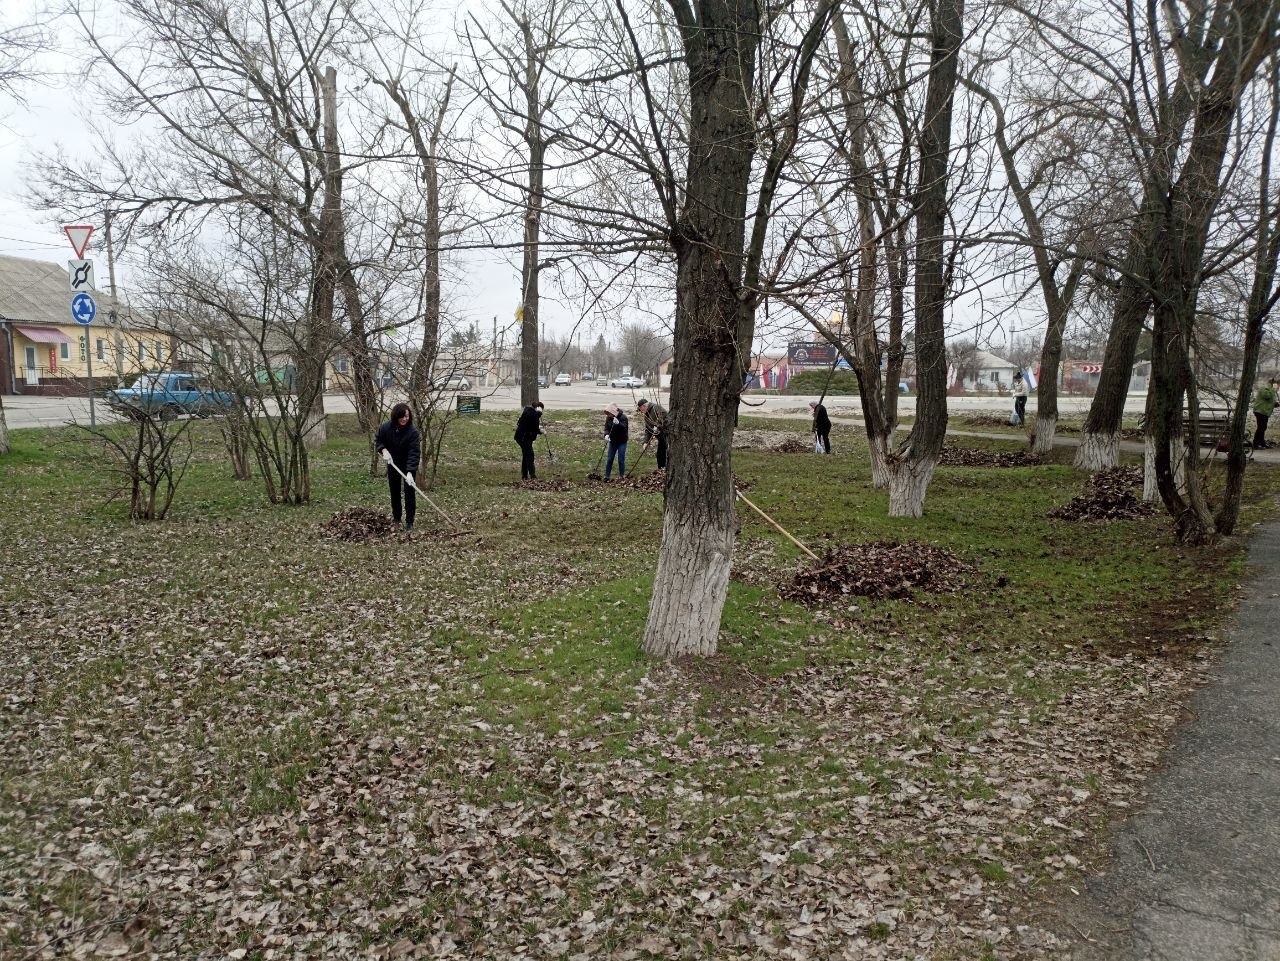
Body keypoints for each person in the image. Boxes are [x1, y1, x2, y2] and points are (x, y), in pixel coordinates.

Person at [375, 402, 421, 532]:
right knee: (394, 491)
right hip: (393, 464)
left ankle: (410, 522)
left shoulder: (413, 432)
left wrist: (411, 472)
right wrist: (384, 451)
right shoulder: (386, 428)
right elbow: (379, 440)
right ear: (396, 417)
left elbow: (414, 452)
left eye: (407, 416)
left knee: (409, 493)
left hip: (408, 466)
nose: (405, 419)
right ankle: (396, 518)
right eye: (402, 417)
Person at [514, 401, 545, 480]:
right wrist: (538, 413)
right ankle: (532, 475)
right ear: (538, 408)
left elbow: (532, 426)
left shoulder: (533, 414)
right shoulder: (529, 412)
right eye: (541, 409)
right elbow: (531, 419)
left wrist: (539, 431)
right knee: (530, 455)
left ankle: (524, 476)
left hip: (525, 437)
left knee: (526, 455)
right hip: (523, 437)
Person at [636, 398, 668, 469]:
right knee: (660, 455)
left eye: (640, 409)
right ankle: (661, 470)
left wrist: (658, 426)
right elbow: (648, 430)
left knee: (667, 454)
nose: (641, 411)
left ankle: (666, 469)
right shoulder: (646, 416)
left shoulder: (656, 408)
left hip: (667, 436)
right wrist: (645, 442)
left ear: (644, 406)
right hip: (661, 438)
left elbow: (665, 418)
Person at [603, 403, 629, 480]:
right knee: (610, 459)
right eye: (607, 413)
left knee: (621, 460)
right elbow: (606, 428)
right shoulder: (608, 418)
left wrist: (618, 424)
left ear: (613, 411)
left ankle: (622, 476)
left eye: (609, 413)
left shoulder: (623, 417)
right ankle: (607, 476)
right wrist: (606, 435)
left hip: (622, 441)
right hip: (613, 441)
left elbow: (625, 428)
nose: (608, 415)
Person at [1253, 377, 1278, 449]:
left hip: (1265, 411)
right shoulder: (1265, 388)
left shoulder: (1270, 389)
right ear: (1273, 384)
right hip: (1260, 411)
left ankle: (1262, 443)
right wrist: (1273, 389)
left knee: (1263, 428)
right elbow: (1266, 396)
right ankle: (1256, 444)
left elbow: (1269, 401)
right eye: (1276, 384)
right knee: (1261, 428)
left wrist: (1275, 404)